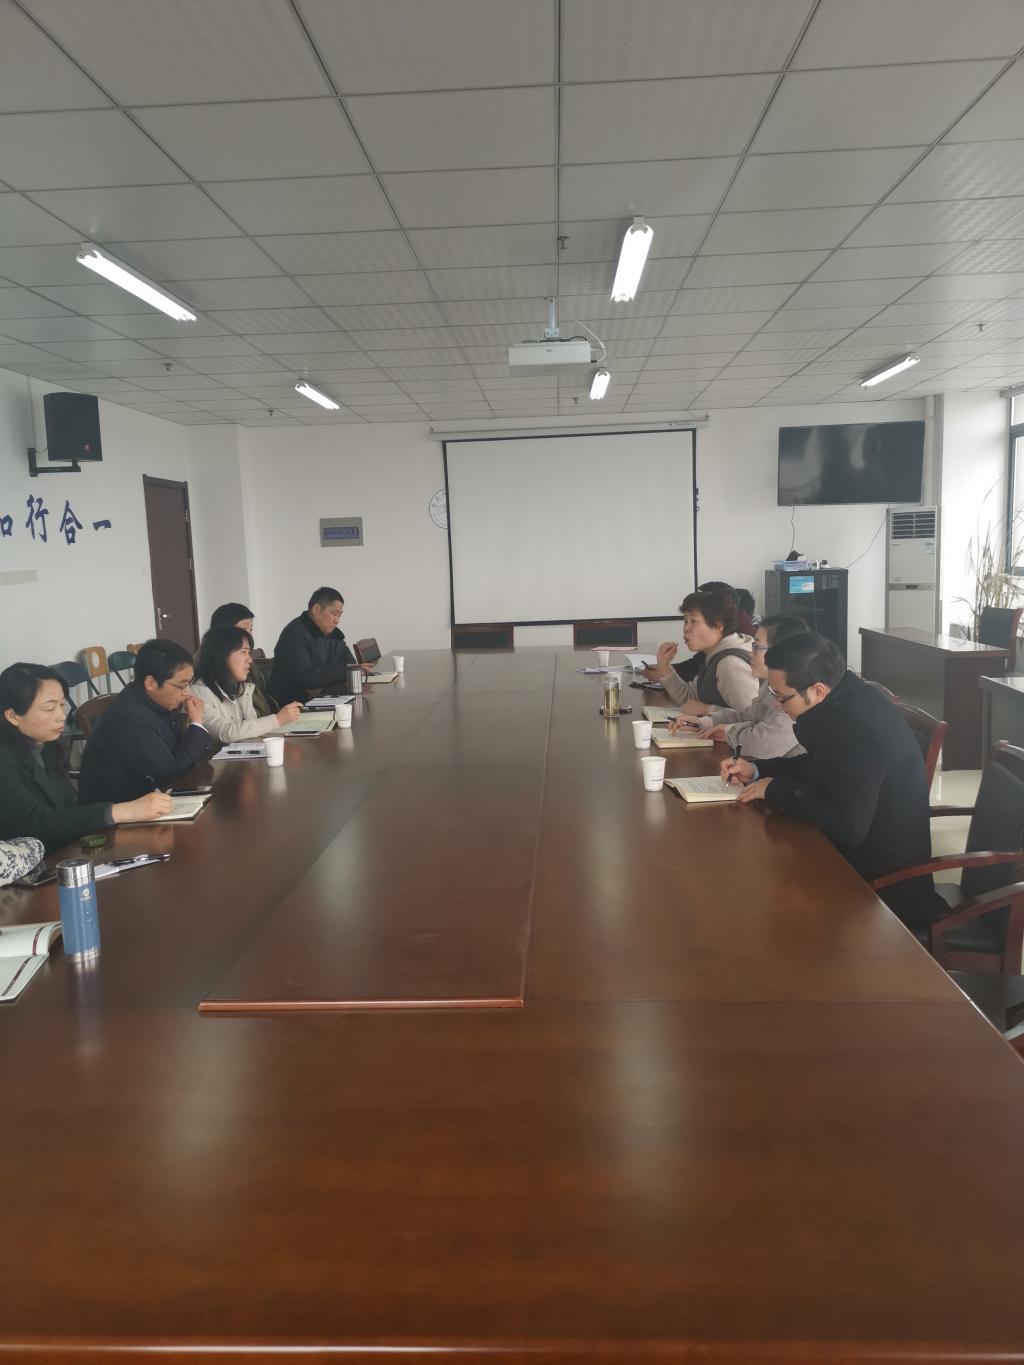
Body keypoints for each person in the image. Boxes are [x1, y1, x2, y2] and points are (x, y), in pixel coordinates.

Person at [720, 632, 939, 930]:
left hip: (881, 892)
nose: (778, 705)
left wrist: (776, 788)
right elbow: (822, 766)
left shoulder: (858, 728)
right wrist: (757, 770)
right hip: (851, 858)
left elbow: (848, 827)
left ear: (818, 690)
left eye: (781, 697)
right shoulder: (843, 701)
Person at [0, 664, 170, 852]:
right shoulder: (5, 758)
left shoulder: (46, 745)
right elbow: (36, 821)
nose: (61, 716)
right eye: (49, 709)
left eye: (62, 705)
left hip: (67, 849)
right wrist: (121, 811)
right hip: (31, 862)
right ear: (13, 716)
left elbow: (70, 806)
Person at [79, 639, 212, 804]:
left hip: (148, 798)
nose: (187, 692)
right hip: (118, 810)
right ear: (150, 683)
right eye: (181, 686)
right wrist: (196, 724)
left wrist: (195, 727)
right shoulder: (132, 718)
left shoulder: (151, 700)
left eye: (189, 683)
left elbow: (181, 756)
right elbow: (172, 773)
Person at [669, 613, 808, 760]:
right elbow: (745, 716)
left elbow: (760, 743)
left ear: (782, 653)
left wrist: (728, 732)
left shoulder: (797, 695)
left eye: (757, 647)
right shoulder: (770, 688)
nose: (750, 654)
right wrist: (703, 723)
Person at [191, 626, 302, 747]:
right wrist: (278, 719)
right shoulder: (198, 692)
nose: (249, 659)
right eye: (243, 652)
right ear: (221, 655)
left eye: (249, 652)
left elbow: (250, 732)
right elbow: (225, 733)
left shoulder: (240, 688)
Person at [653, 590, 758, 713]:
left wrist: (708, 709)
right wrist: (664, 666)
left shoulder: (730, 664)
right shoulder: (713, 654)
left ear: (718, 625)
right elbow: (690, 698)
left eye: (694, 621)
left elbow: (754, 717)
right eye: (686, 621)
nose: (686, 628)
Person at [268, 587, 370, 707]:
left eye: (339, 615)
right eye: (334, 614)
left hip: (323, 697)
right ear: (316, 609)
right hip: (294, 706)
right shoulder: (294, 633)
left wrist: (324, 681)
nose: (337, 621)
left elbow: (350, 664)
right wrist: (341, 671)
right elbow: (307, 678)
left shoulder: (333, 633)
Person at [208, 601, 276, 717]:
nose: (249, 635)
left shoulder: (247, 661)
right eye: (244, 629)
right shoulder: (206, 672)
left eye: (251, 629)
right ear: (223, 632)